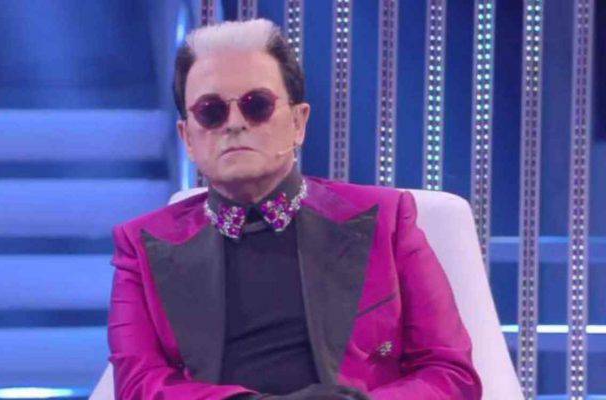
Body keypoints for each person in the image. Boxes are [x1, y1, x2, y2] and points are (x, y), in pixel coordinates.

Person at [107, 18, 482, 400]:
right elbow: (138, 385)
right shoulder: (140, 244)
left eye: (257, 105)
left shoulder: (387, 219)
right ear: (187, 137)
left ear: (298, 122)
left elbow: (450, 373)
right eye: (210, 111)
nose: (234, 124)